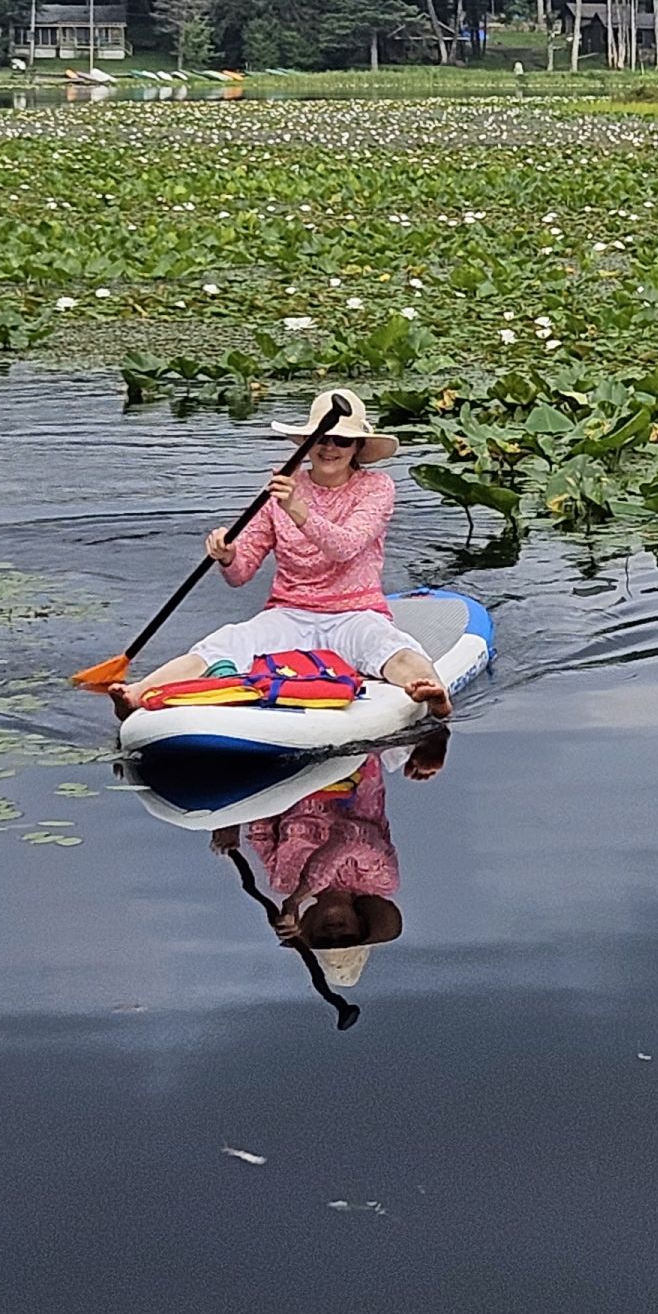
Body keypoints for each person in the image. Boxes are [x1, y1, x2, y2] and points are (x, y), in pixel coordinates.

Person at [110, 387, 452, 721]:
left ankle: (431, 689)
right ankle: (137, 693)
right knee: (227, 641)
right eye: (321, 438)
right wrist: (227, 555)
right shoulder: (280, 488)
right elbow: (242, 573)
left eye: (342, 440)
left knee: (386, 645)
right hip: (289, 611)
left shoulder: (376, 487)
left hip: (355, 610)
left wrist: (296, 508)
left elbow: (345, 547)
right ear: (307, 443)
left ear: (357, 447)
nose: (329, 447)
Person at [213, 753, 406, 993]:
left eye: (324, 941)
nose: (335, 933)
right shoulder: (381, 881)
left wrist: (230, 821)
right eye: (346, 939)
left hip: (286, 768)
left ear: (311, 930)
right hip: (349, 761)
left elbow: (261, 828)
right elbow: (353, 837)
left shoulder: (284, 881)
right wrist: (298, 897)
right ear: (361, 925)